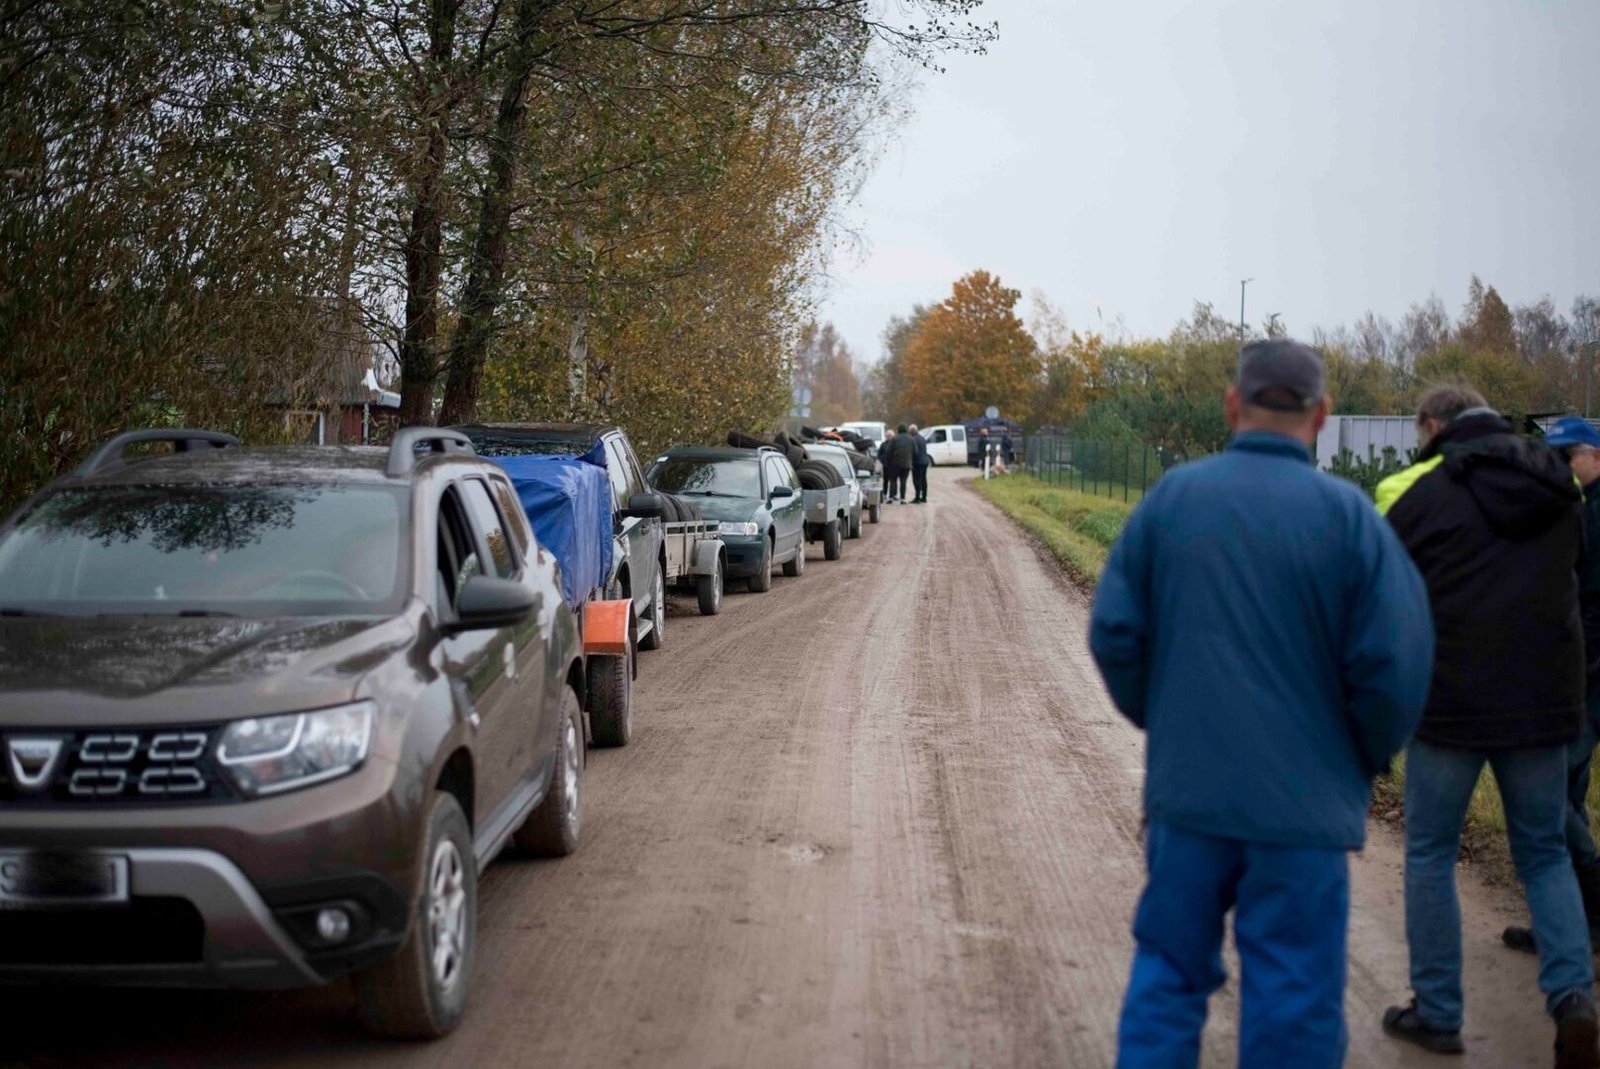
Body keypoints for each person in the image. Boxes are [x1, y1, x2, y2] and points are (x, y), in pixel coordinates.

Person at [1090, 339, 1434, 1069]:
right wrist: (1356, 759)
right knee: (1294, 998)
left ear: (1231, 404)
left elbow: (1116, 632)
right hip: (1304, 816)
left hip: (1190, 803)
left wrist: (1171, 719)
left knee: (1168, 978)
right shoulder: (1351, 521)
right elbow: (1397, 665)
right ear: (1322, 416)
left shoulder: (1173, 499)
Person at [1376, 387, 1598, 1067]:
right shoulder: (1559, 485)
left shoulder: (1417, 491)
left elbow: (1388, 592)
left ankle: (1438, 1012)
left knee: (1430, 853)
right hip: (1546, 700)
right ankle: (1574, 999)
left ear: (1434, 427)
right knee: (1544, 852)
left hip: (1452, 702)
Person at [1504, 415, 1600, 957]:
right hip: (1578, 677)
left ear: (1595, 456)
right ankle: (1571, 924)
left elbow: (1591, 607)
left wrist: (1574, 666)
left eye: (1567, 458)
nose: (1560, 468)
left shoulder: (1596, 514)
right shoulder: (1578, 508)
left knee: (1549, 796)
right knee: (1567, 795)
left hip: (1586, 681)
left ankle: (1587, 903)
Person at [888, 424, 916, 504]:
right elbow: (915, 451)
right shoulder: (911, 439)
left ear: (898, 430)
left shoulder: (894, 439)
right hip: (906, 464)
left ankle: (891, 497)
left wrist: (889, 462)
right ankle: (902, 499)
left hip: (895, 463)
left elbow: (889, 451)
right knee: (903, 481)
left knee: (893, 481)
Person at [909, 423, 931, 504]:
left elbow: (913, 452)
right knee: (923, 479)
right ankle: (924, 497)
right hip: (925, 461)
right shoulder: (922, 438)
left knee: (916, 480)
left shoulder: (912, 439)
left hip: (917, 462)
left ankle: (917, 498)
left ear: (911, 431)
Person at [877, 435, 898, 504]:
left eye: (890, 436)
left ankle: (894, 494)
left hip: (893, 465)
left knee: (893, 480)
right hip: (886, 465)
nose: (889, 437)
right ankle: (885, 493)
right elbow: (879, 454)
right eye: (888, 436)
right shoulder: (883, 444)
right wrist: (882, 460)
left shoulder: (895, 444)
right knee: (885, 480)